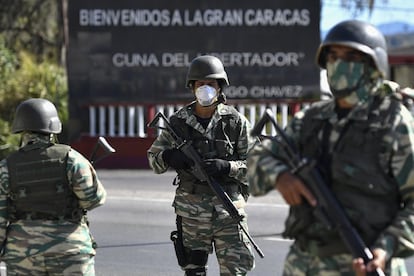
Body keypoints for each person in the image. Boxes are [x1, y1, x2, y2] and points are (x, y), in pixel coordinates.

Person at [247, 19, 414, 276]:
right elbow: (256, 160)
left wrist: (385, 248)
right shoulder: (311, 119)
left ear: (373, 66)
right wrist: (280, 176)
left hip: (367, 263)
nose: (339, 63)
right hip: (303, 265)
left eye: (351, 56)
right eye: (333, 56)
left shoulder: (395, 122)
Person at [147, 55, 256, 276]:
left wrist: (228, 167)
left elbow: (257, 167)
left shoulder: (236, 123)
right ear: (192, 87)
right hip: (192, 213)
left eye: (211, 84)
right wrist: (169, 156)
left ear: (220, 87)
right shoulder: (177, 123)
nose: (205, 89)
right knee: (194, 271)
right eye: (200, 84)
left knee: (236, 271)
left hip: (229, 212)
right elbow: (154, 160)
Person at [0, 98, 107, 275]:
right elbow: (93, 200)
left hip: (23, 254)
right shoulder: (72, 159)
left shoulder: (5, 167)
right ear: (53, 129)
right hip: (70, 250)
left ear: (20, 129)